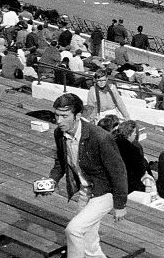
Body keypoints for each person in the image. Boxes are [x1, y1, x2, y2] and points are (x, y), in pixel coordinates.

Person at [44, 93, 128, 258]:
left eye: (64, 116)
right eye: (56, 115)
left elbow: (119, 172)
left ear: (78, 116)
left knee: (74, 230)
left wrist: (120, 205)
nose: (59, 121)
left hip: (105, 192)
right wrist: (51, 181)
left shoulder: (101, 138)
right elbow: (61, 162)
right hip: (85, 191)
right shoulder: (59, 134)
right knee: (90, 245)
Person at [112, 120, 151, 193]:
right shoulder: (133, 150)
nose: (135, 135)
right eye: (134, 133)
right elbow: (139, 171)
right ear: (129, 134)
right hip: (129, 186)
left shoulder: (112, 143)